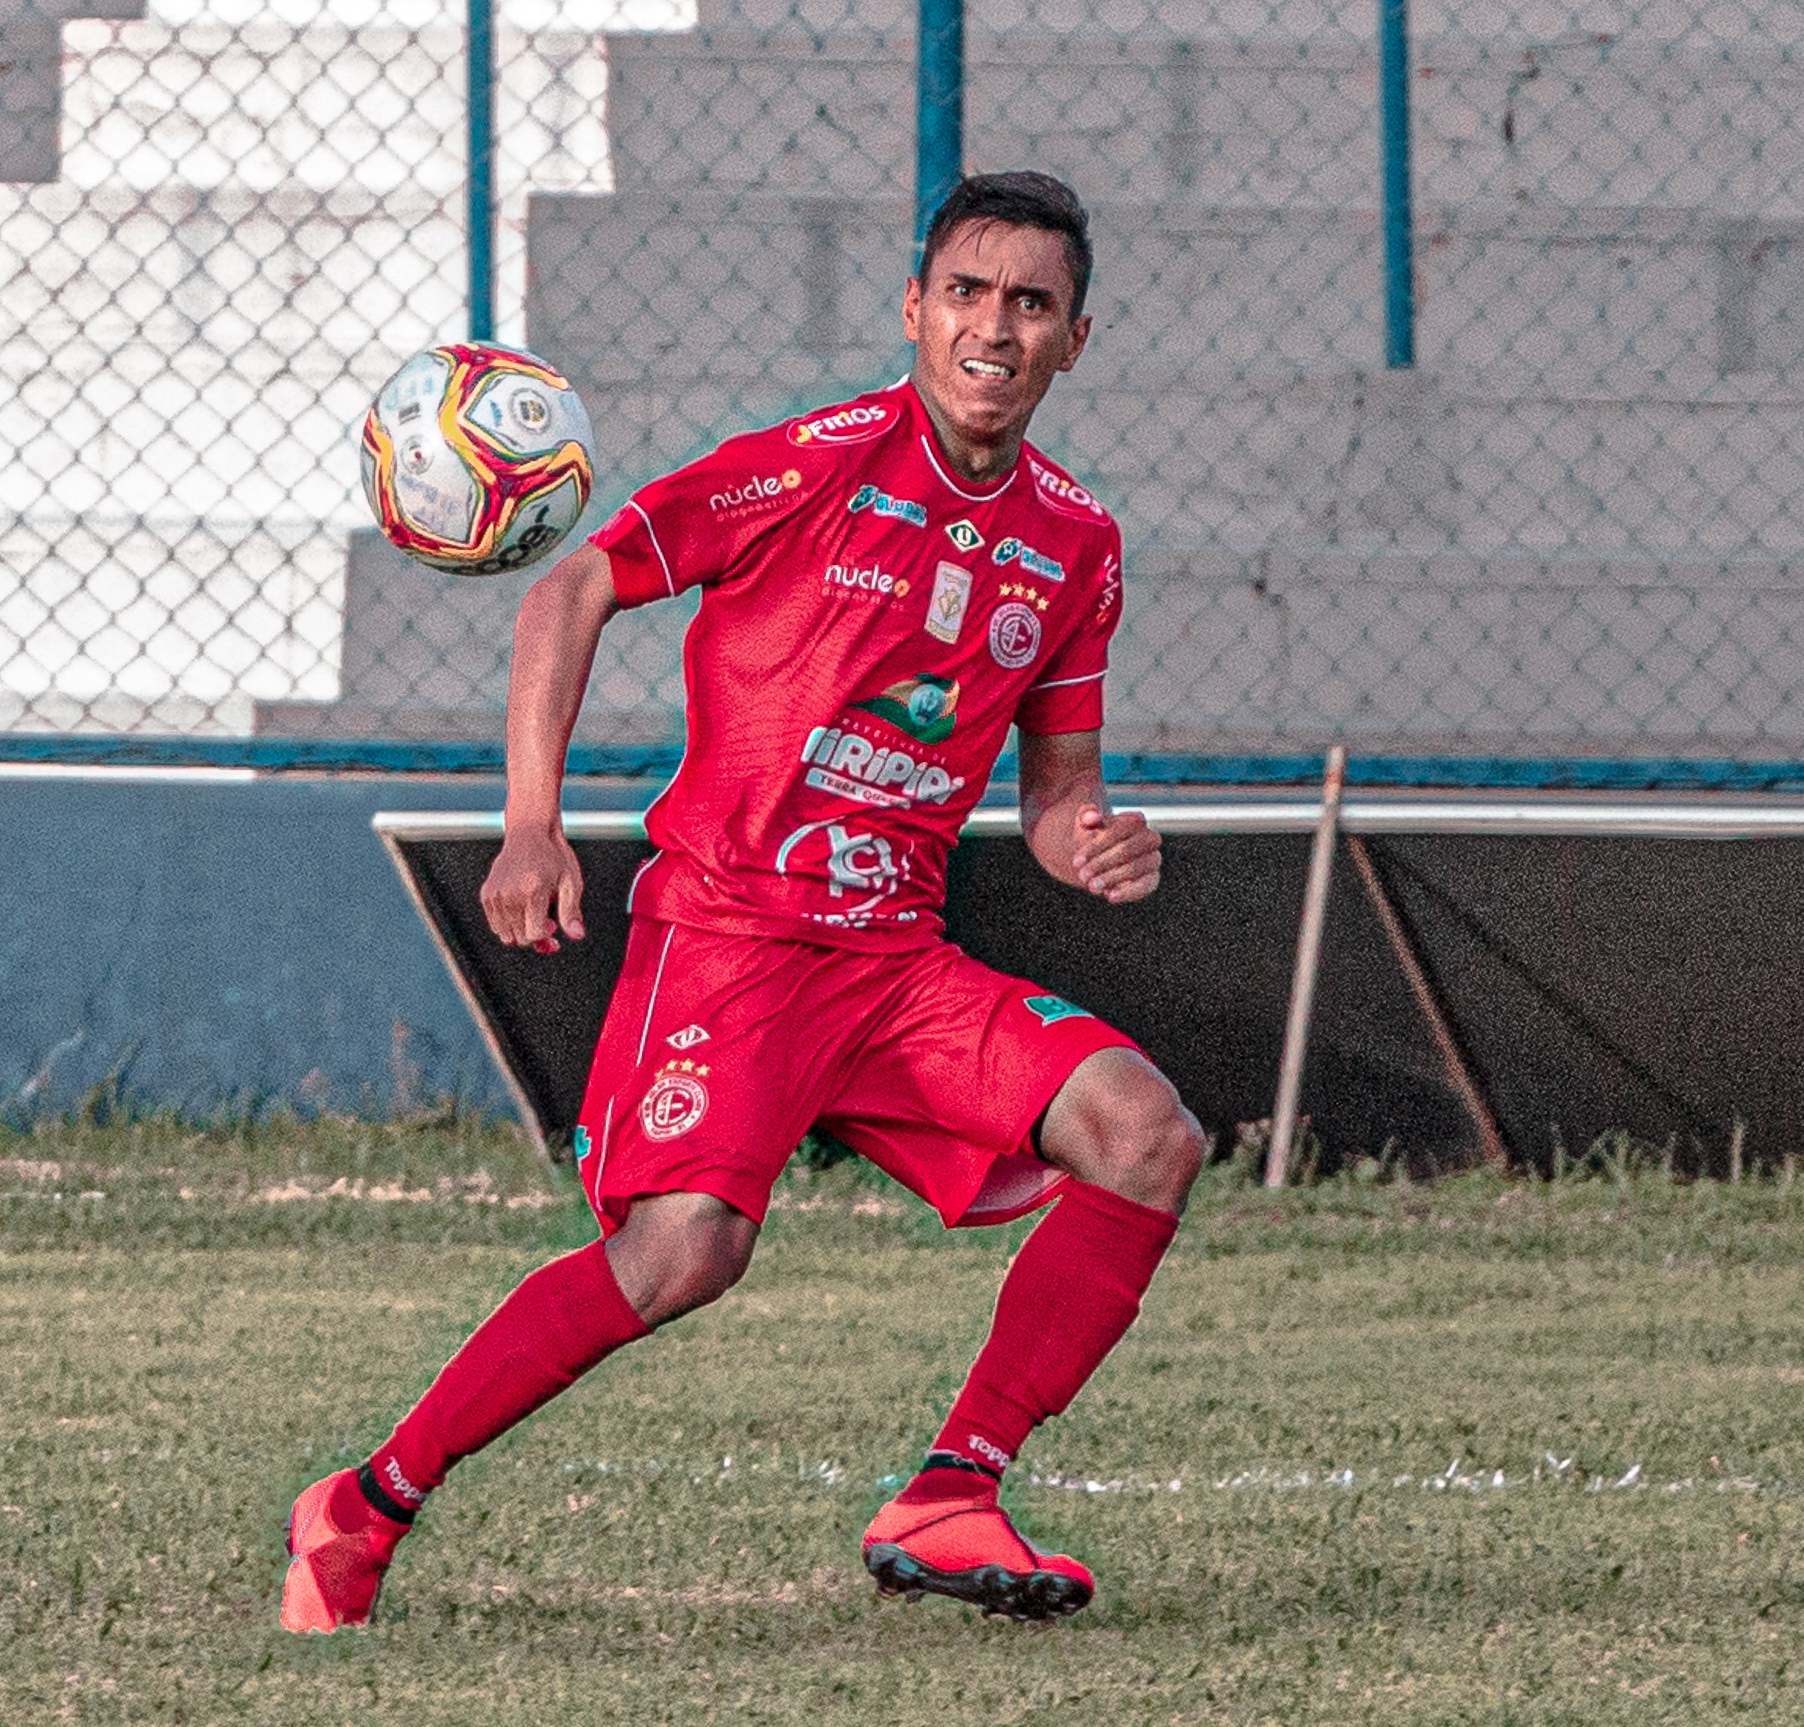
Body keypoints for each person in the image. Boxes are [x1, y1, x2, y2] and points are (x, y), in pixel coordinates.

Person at [282, 169, 1207, 1632]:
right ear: (915, 310)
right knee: (682, 1256)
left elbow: (1050, 797)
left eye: (1032, 303)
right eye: (968, 292)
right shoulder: (815, 463)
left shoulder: (1077, 545)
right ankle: (362, 1505)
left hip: (898, 963)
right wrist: (532, 828)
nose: (995, 327)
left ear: (1074, 340)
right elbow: (574, 582)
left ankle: (955, 1488)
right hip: (731, 941)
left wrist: (1088, 840)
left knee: (1144, 1133)